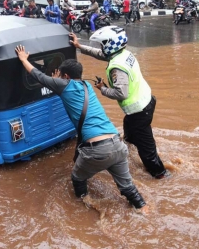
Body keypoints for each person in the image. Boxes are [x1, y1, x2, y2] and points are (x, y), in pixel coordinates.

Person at [14, 45, 146, 209]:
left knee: (77, 177)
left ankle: (84, 205)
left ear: (66, 76)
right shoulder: (87, 87)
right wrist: (58, 80)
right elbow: (68, 91)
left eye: (62, 76)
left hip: (97, 149)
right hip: (117, 143)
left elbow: (38, 75)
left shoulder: (63, 85)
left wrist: (23, 59)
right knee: (127, 187)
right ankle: (143, 208)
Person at [69, 28, 170, 179]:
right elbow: (101, 54)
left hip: (139, 111)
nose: (101, 48)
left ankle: (160, 174)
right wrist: (80, 46)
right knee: (129, 130)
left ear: (110, 44)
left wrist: (102, 88)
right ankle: (129, 146)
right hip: (146, 101)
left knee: (147, 148)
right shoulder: (124, 54)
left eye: (103, 44)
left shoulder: (117, 67)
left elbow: (121, 93)